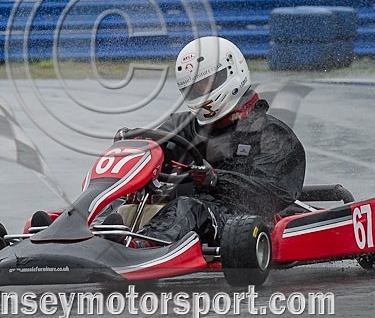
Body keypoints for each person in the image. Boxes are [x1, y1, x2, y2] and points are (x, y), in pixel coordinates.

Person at [131, 36, 307, 245]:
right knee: (122, 206)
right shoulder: (183, 125)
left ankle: (143, 246)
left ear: (232, 72)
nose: (201, 94)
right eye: (194, 89)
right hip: (182, 211)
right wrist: (135, 146)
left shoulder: (272, 134)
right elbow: (155, 147)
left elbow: (275, 193)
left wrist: (216, 179)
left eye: (205, 85)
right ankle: (93, 237)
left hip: (240, 220)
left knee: (189, 208)